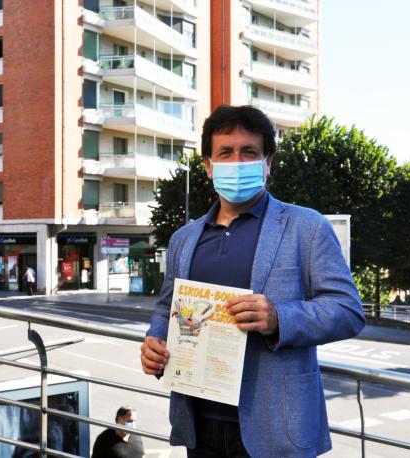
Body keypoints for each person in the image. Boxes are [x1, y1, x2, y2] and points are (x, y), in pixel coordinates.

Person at [140, 105, 364, 458]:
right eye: (225, 152)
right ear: (208, 165)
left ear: (267, 163)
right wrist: (155, 340)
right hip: (199, 425)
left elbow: (348, 310)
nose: (237, 161)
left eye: (249, 152)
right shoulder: (185, 238)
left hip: (277, 429)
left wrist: (280, 318)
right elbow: (168, 307)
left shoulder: (306, 228)